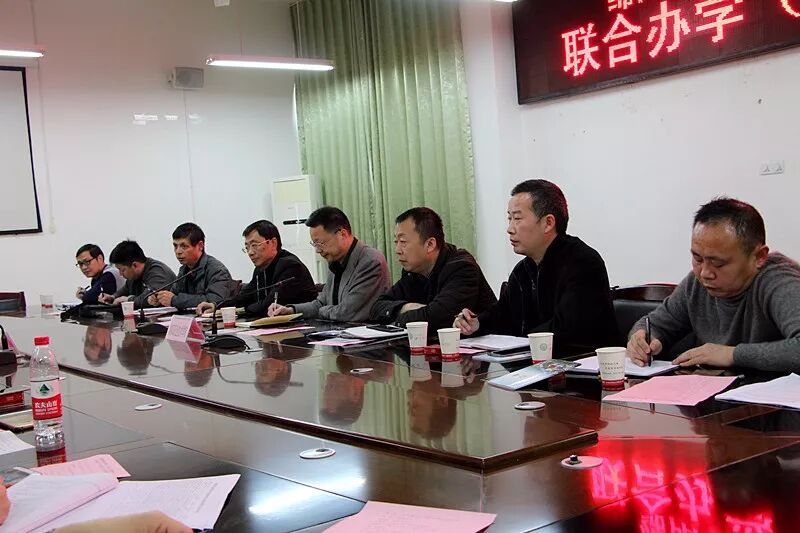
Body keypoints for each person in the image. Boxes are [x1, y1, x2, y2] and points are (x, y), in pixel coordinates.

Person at [627, 198, 800, 372]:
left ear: (759, 257)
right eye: (697, 259)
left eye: (718, 263)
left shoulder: (780, 281)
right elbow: (653, 325)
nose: (705, 273)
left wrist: (731, 354)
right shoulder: (697, 283)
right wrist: (642, 340)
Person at [454, 179, 618, 355]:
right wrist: (476, 324)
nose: (510, 229)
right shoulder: (523, 270)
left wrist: (521, 342)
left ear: (548, 223)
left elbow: (568, 331)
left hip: (583, 365)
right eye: (509, 218)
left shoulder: (583, 263)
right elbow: (503, 314)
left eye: (517, 218)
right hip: (535, 361)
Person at [369, 207, 496, 331]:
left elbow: (438, 317)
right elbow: (376, 308)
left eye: (403, 242)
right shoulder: (413, 272)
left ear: (430, 244)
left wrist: (397, 317)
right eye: (396, 242)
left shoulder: (462, 267)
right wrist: (407, 307)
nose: (397, 250)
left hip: (483, 343)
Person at [268, 207, 390, 321]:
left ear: (342, 234)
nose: (317, 250)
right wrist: (290, 310)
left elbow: (346, 312)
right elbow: (321, 303)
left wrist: (321, 311)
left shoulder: (371, 261)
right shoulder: (335, 260)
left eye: (320, 243)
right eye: (314, 244)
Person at [196, 220, 316, 317]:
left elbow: (270, 304)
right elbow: (244, 297)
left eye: (254, 245)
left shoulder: (290, 266)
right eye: (247, 247)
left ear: (273, 243)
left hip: (303, 328)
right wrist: (216, 306)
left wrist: (241, 311)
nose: (250, 252)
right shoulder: (261, 268)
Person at [149, 223, 233, 310]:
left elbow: (217, 300)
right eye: (175, 246)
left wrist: (175, 300)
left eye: (184, 246)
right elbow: (174, 295)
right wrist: (160, 299)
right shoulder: (184, 270)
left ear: (200, 246)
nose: (178, 251)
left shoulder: (217, 270)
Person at [99, 240, 176, 308]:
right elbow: (125, 289)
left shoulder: (158, 273)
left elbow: (148, 299)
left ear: (135, 265)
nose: (120, 274)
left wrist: (128, 300)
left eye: (122, 270)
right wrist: (112, 297)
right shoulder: (134, 276)